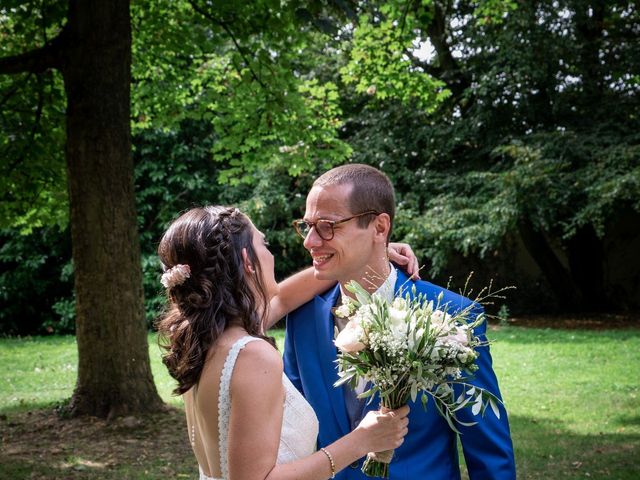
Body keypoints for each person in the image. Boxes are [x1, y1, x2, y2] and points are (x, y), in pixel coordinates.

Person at [284, 164, 516, 479]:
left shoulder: (450, 315)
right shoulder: (301, 318)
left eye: (327, 226)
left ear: (380, 228)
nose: (310, 241)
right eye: (308, 225)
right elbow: (291, 433)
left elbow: (487, 447)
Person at [156, 206, 416, 480]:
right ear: (248, 259)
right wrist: (361, 440)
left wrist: (366, 255)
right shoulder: (252, 356)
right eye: (263, 243)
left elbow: (283, 299)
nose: (270, 254)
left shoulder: (206, 340)